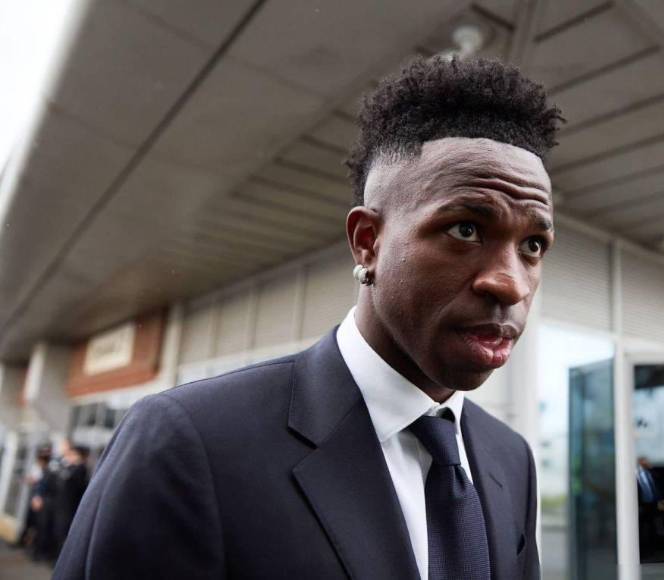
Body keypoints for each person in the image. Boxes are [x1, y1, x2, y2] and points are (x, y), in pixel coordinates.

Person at [53, 57, 562, 580]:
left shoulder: (510, 459)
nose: (511, 285)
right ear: (368, 242)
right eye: (466, 230)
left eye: (532, 245)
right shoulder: (190, 444)